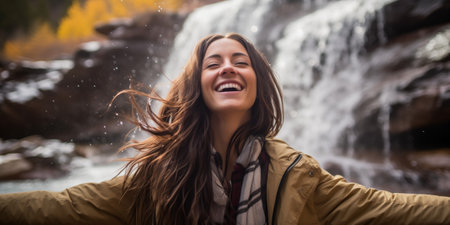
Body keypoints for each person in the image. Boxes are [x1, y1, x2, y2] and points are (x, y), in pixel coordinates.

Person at [0, 33, 449, 225]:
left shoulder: (300, 175)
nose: (228, 68)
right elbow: (64, 207)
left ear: (258, 82)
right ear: (198, 84)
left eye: (241, 61)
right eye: (213, 62)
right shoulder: (157, 180)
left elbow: (390, 209)